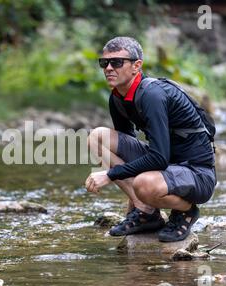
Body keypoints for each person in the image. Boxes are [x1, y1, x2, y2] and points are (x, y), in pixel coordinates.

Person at [85, 36, 216, 242]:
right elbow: (125, 153)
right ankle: (146, 211)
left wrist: (110, 175)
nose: (109, 68)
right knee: (97, 137)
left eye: (117, 62)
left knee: (144, 183)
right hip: (166, 167)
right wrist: (131, 196)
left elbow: (159, 159)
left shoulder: (153, 95)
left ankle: (186, 211)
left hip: (196, 172)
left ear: (137, 66)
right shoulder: (117, 98)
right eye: (105, 63)